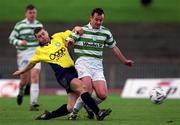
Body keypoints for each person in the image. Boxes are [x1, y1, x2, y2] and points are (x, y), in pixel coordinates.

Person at [13, 27, 112, 121]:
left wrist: (77, 28)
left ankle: (48, 115)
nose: (42, 37)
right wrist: (22, 71)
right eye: (39, 36)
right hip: (63, 75)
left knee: (71, 107)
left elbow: (73, 33)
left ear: (46, 32)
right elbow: (32, 63)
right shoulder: (40, 51)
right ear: (37, 39)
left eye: (43, 34)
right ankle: (98, 112)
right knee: (83, 88)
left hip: (73, 71)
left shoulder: (58, 36)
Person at [67, 8, 134, 119]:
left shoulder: (106, 32)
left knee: (102, 95)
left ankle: (89, 106)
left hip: (97, 65)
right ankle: (73, 113)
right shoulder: (81, 30)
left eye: (101, 20)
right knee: (87, 89)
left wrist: (124, 61)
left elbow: (114, 47)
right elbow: (68, 42)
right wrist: (71, 40)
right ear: (91, 18)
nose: (98, 22)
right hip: (83, 62)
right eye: (96, 19)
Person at [9, 4, 43, 111]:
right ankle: (21, 91)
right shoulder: (20, 25)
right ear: (26, 13)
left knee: (35, 76)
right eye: (30, 12)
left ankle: (33, 103)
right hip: (23, 54)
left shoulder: (39, 25)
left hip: (36, 53)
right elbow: (11, 38)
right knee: (24, 80)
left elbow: (42, 38)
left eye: (34, 12)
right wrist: (19, 42)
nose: (32, 14)